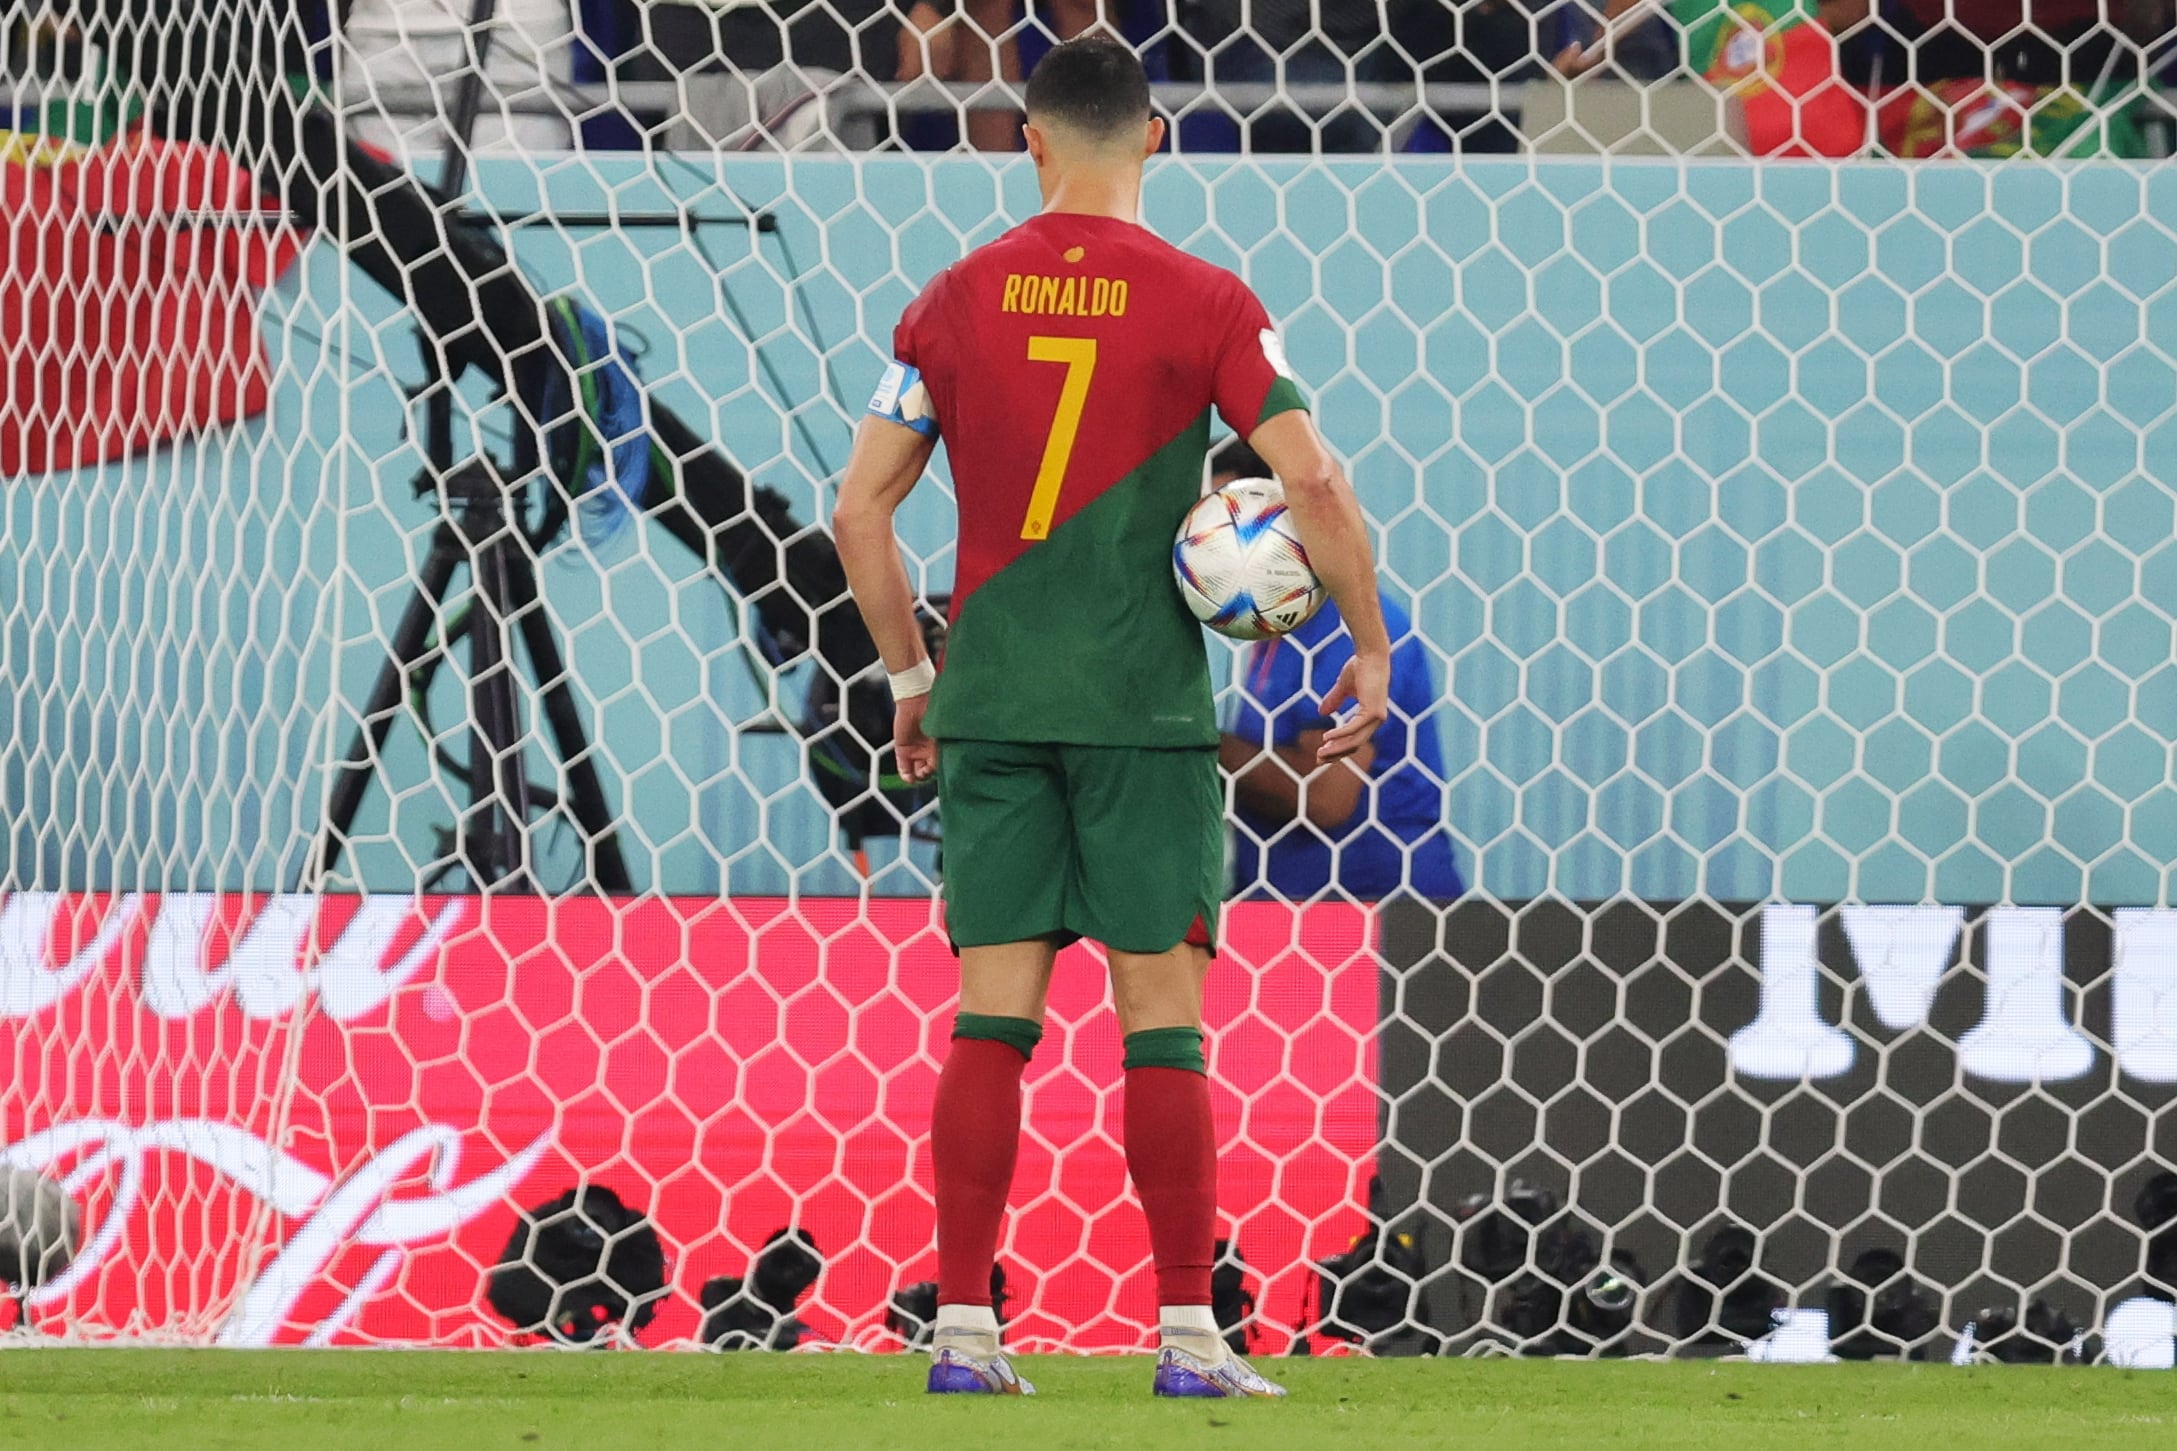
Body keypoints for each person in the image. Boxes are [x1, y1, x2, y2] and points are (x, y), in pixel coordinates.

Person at [833, 34, 1388, 1398]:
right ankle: (1190, 1340)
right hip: (1145, 710)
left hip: (998, 704)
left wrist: (915, 679)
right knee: (1160, 1022)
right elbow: (1308, 477)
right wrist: (1365, 645)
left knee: (990, 1014)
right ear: (1155, 138)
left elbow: (857, 512)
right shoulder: (1205, 303)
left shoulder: (951, 299)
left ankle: (964, 1331)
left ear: (1027, 141)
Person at [1212, 441, 1464, 903]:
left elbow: (1326, 797)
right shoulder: (1275, 630)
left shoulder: (1344, 632)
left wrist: (1202, 746)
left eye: (1228, 530)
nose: (1211, 551)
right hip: (1285, 912)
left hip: (1373, 921)